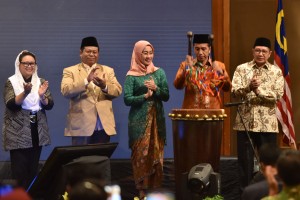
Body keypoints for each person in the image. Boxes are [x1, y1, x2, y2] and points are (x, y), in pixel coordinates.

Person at [231, 37, 284, 189]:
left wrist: (258, 91)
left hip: (267, 125)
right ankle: (246, 193)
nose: (260, 53)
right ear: (252, 51)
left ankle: (270, 192)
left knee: (269, 162)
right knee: (244, 163)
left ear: (270, 54)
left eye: (264, 51)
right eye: (258, 50)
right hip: (245, 123)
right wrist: (248, 87)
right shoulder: (242, 69)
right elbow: (234, 91)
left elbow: (278, 95)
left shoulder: (276, 72)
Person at [124, 40, 170, 199]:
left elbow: (166, 96)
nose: (148, 56)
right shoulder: (132, 76)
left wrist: (156, 88)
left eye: (150, 53)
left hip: (157, 121)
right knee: (141, 158)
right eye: (145, 53)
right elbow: (127, 99)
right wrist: (144, 96)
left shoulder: (159, 72)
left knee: (157, 158)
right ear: (138, 54)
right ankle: (141, 194)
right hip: (138, 123)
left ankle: (155, 194)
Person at [2, 50, 54, 189]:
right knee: (20, 173)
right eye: (26, 63)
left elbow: (50, 105)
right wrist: (25, 93)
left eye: (32, 64)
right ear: (19, 65)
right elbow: (11, 104)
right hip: (18, 133)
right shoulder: (11, 82)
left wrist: (42, 96)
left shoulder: (40, 81)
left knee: (33, 171)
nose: (30, 66)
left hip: (37, 131)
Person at [61, 36, 122, 145]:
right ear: (81, 52)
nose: (92, 54)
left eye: (95, 52)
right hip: (81, 125)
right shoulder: (70, 71)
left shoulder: (108, 70)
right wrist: (86, 80)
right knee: (81, 159)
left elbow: (118, 90)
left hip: (103, 125)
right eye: (88, 51)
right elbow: (65, 90)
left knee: (101, 158)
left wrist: (104, 86)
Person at [173, 34, 231, 109]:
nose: (200, 52)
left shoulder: (220, 66)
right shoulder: (185, 65)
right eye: (197, 49)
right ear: (194, 49)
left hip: (212, 113)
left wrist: (220, 74)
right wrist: (186, 70)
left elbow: (228, 88)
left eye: (203, 49)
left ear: (209, 49)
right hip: (192, 112)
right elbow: (177, 85)